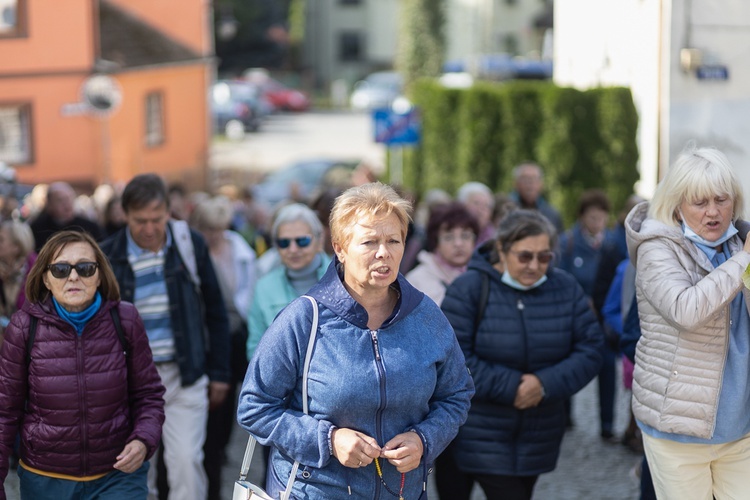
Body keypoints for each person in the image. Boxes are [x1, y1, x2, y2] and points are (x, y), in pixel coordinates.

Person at [237, 182, 475, 499]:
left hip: (402, 491)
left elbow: (457, 393)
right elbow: (255, 407)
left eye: (394, 240)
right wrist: (328, 440)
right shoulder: (304, 318)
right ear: (340, 248)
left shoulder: (426, 316)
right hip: (316, 491)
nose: (383, 252)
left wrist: (424, 439)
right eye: (369, 242)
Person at [441, 209, 603, 500]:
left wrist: (544, 384)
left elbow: (591, 348)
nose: (534, 266)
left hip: (538, 434)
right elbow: (453, 358)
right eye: (524, 256)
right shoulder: (469, 288)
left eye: (544, 257)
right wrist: (513, 386)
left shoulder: (564, 288)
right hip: (477, 432)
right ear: (502, 250)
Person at [624, 144, 750, 499]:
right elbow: (686, 311)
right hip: (679, 431)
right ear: (678, 205)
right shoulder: (656, 248)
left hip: (741, 427)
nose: (713, 212)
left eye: (721, 200)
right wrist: (744, 260)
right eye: (700, 202)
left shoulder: (737, 242)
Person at [0, 230, 165, 499]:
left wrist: (143, 440)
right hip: (47, 480)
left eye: (85, 268)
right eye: (61, 269)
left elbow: (149, 395)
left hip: (118, 477)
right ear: (46, 277)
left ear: (99, 275)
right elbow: (5, 412)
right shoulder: (24, 326)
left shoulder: (125, 319)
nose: (73, 277)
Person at [100, 174, 230, 500]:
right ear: (125, 214)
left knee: (186, 462)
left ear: (168, 213)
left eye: (156, 219)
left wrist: (220, 373)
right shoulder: (107, 256)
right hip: (132, 381)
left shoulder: (189, 245)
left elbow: (216, 311)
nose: (148, 228)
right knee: (137, 467)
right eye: (139, 220)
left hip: (185, 373)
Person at [190, 195, 257, 500]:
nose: (213, 235)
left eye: (218, 229)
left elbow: (247, 292)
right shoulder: (193, 253)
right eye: (207, 229)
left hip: (232, 336)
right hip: (200, 339)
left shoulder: (239, 251)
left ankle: (218, 451)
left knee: (227, 401)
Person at [558, 189, 615, 437]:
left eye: (601, 217)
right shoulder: (568, 242)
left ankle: (607, 425)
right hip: (574, 316)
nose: (597, 223)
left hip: (602, 318)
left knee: (607, 367)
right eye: (592, 217)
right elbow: (560, 279)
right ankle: (565, 418)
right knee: (568, 364)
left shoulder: (611, 244)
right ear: (582, 217)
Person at [246, 203, 330, 362]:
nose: (292, 249)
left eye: (302, 241)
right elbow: (255, 347)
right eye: (284, 243)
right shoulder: (264, 287)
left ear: (319, 240)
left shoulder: (344, 280)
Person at [406, 201, 479, 306]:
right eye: (448, 237)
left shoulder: (483, 278)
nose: (458, 244)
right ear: (436, 242)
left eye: (465, 236)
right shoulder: (416, 281)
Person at [30, 182, 104, 251]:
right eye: (61, 200)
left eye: (69, 198)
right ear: (49, 204)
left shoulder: (90, 227)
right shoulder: (37, 228)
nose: (67, 204)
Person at [0, 220, 36, 345]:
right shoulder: (2, 269)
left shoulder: (36, 273)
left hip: (27, 344)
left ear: (16, 247)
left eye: (1, 240)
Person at [509, 163, 564, 234]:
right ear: (516, 183)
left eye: (534, 179)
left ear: (541, 184)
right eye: (525, 179)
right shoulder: (507, 210)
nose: (530, 184)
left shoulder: (552, 215)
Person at [457, 181, 496, 247]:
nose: (481, 209)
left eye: (486, 205)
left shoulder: (495, 237)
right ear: (462, 206)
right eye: (476, 203)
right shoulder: (453, 235)